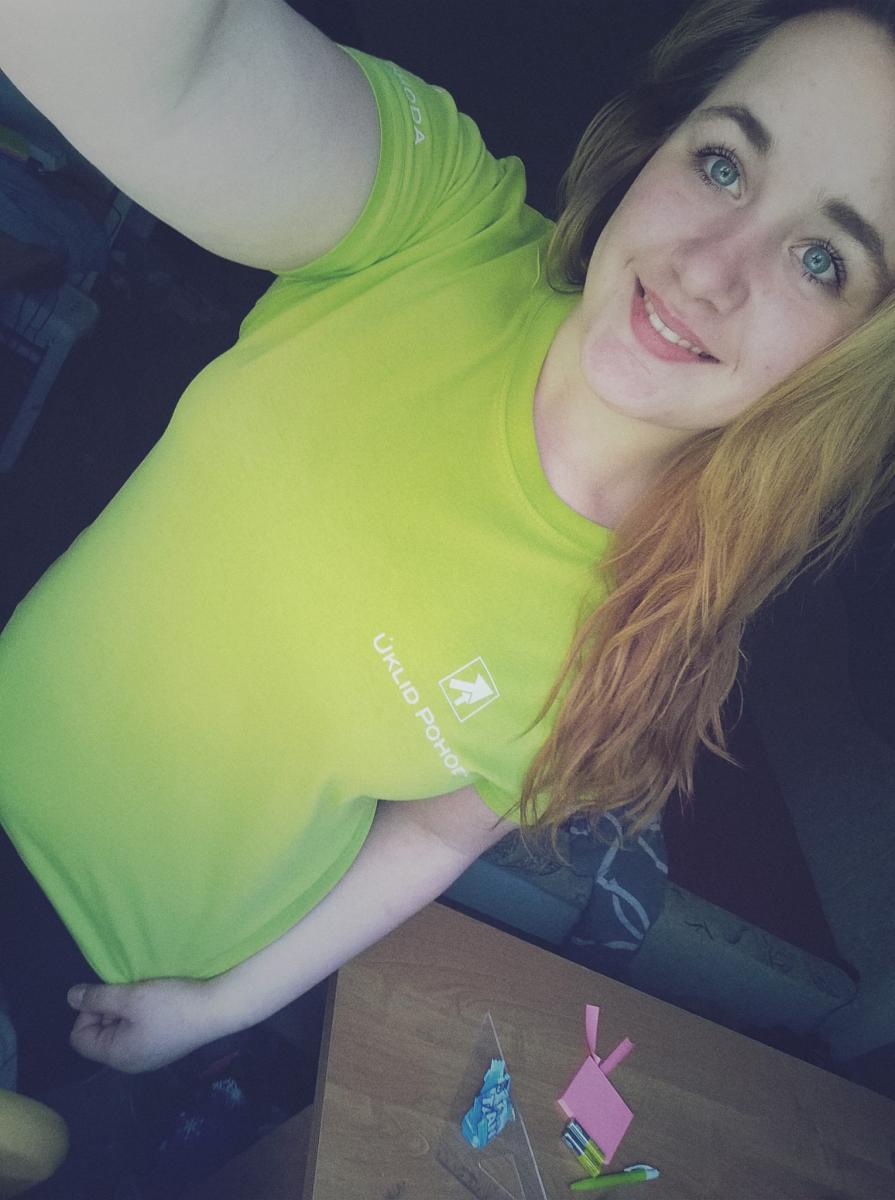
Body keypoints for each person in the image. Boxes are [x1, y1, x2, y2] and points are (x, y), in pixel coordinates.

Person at [0, 0, 893, 1078]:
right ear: (657, 138)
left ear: (859, 363)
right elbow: (166, 68)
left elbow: (430, 836)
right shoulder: (437, 224)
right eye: (721, 164)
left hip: (123, 968)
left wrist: (211, 1012)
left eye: (820, 260)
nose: (709, 270)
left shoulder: (645, 625)